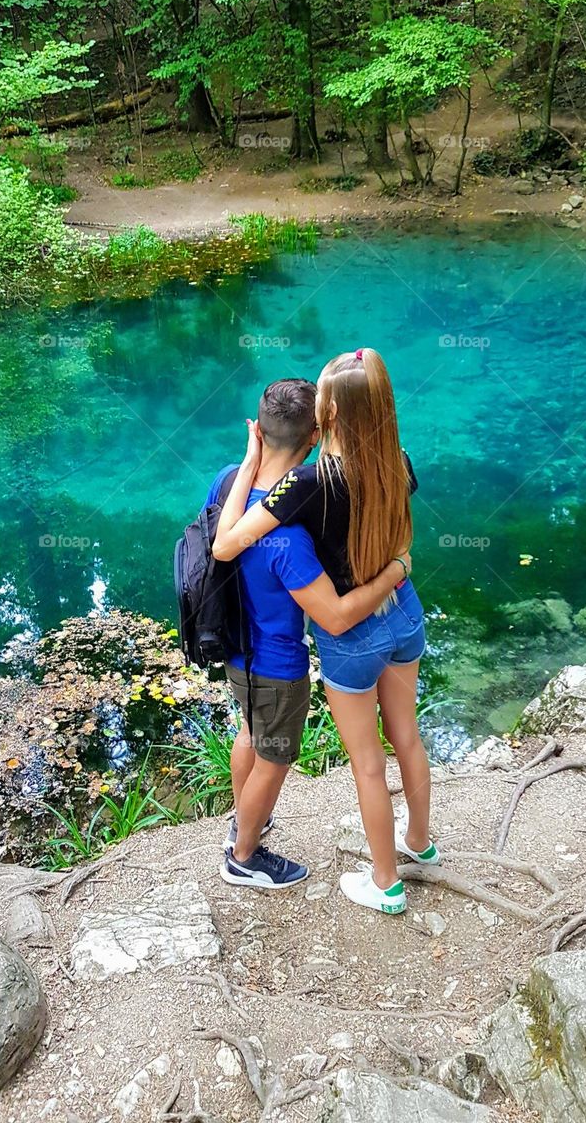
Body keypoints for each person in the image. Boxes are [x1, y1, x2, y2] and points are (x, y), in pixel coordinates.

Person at [213, 350, 438, 916]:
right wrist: (395, 570)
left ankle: (385, 883)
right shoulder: (400, 461)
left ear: (328, 412)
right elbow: (398, 541)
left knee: (368, 762)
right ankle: (419, 843)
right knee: (406, 735)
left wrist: (250, 461)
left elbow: (227, 543)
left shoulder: (308, 483)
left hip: (353, 637)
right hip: (403, 613)